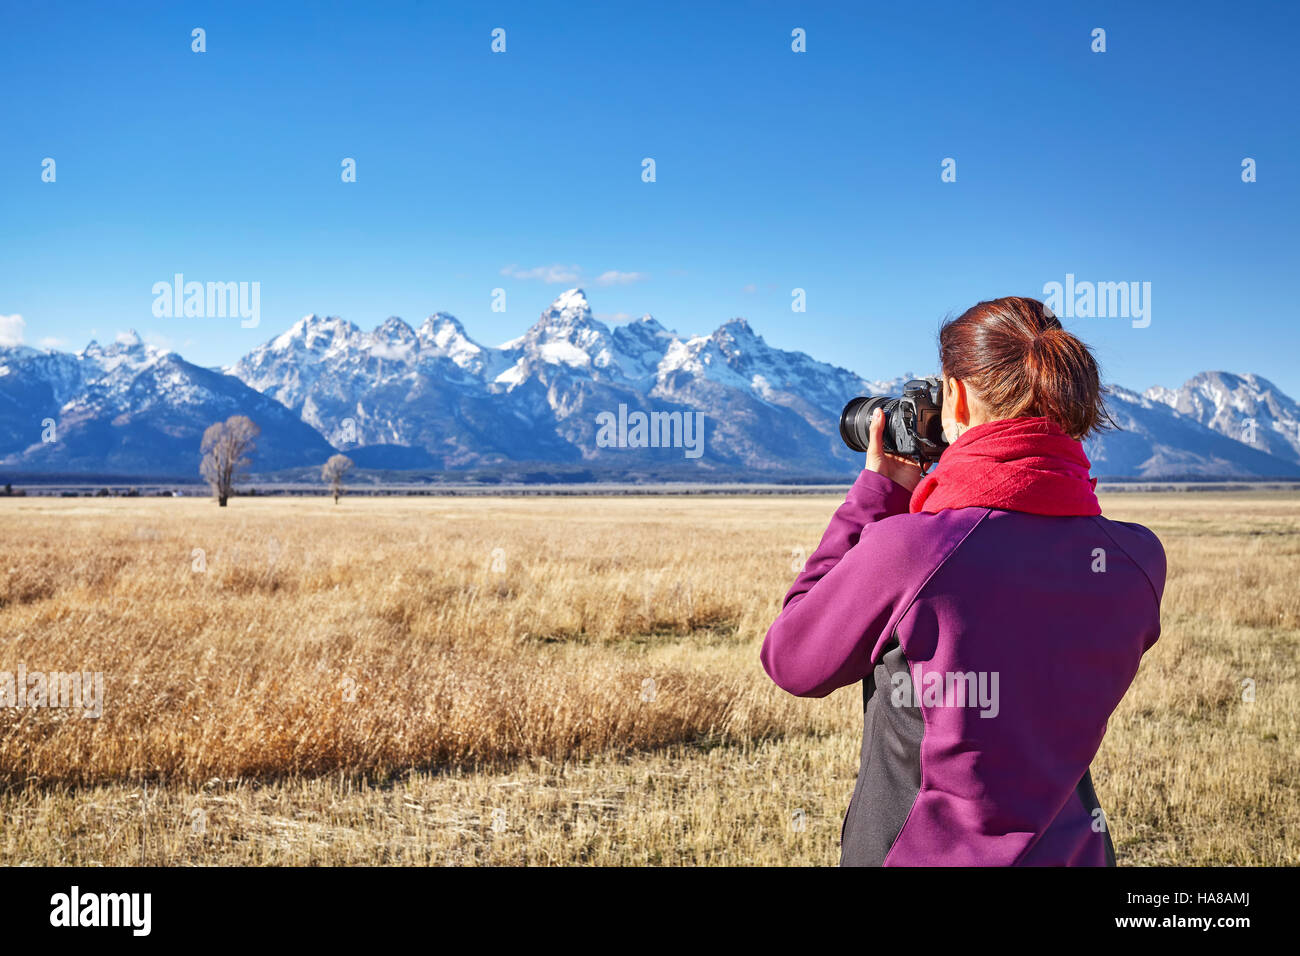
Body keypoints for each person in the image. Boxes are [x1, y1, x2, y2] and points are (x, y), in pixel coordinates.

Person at [761, 296, 1165, 866]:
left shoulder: (911, 551)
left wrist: (879, 493)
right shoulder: (1138, 558)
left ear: (954, 393)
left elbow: (793, 659)